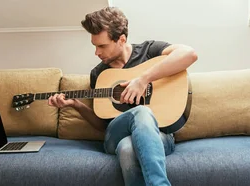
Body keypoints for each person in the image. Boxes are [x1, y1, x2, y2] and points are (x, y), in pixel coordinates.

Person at [47, 7, 197, 186]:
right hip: (114, 135)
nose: (97, 52)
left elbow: (189, 54)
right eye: (95, 46)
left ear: (121, 39)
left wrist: (143, 80)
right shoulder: (100, 74)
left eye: (102, 46)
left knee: (127, 149)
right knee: (140, 111)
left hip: (159, 135)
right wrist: (75, 105)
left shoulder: (148, 51)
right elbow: (102, 124)